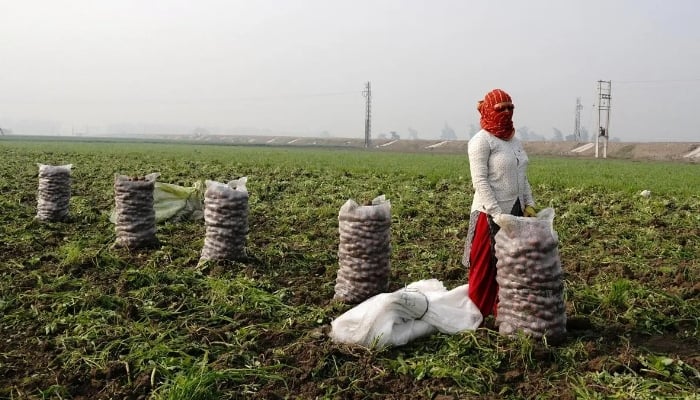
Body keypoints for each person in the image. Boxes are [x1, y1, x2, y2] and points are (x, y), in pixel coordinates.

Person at [462, 88, 536, 321]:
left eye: (510, 108)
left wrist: (529, 204)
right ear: (487, 110)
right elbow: (480, 181)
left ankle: (503, 312)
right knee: (484, 267)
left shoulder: (514, 140)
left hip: (514, 210)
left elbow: (521, 176)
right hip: (487, 212)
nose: (506, 112)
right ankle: (477, 316)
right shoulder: (481, 141)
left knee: (509, 265)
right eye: (500, 108)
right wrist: (495, 213)